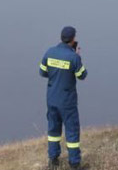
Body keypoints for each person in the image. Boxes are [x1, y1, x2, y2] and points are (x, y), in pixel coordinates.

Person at [39, 26, 87, 169]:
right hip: (67, 101)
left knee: (53, 130)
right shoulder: (73, 57)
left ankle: (53, 160)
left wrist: (56, 75)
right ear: (73, 40)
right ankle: (74, 163)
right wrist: (78, 57)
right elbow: (82, 76)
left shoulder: (49, 52)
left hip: (52, 98)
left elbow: (42, 72)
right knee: (72, 131)